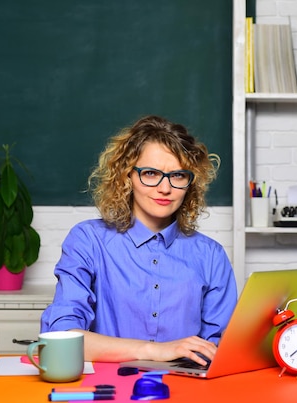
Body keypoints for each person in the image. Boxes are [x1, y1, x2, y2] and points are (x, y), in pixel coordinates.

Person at [41, 115, 237, 366]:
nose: (165, 188)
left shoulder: (211, 255)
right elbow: (61, 337)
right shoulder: (88, 240)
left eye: (178, 176)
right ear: (127, 176)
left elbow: (221, 351)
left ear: (190, 183)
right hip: (107, 389)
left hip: (185, 389)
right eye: (151, 173)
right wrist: (155, 350)